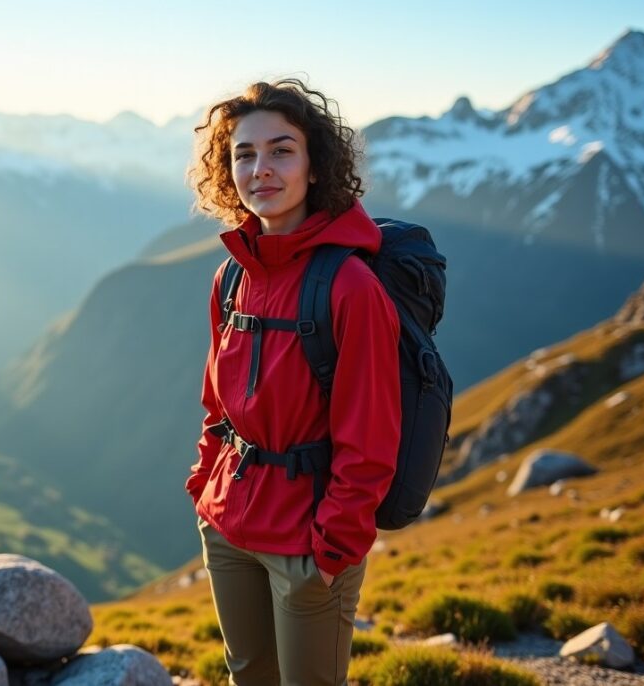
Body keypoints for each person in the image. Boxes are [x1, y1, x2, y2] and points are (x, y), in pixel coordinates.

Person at [184, 78, 402, 686]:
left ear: (315, 165)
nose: (261, 169)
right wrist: (204, 484)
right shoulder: (232, 275)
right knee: (248, 677)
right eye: (244, 154)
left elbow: (371, 437)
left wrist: (333, 549)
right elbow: (217, 403)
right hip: (228, 523)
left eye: (282, 151)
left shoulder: (350, 286)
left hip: (308, 541)